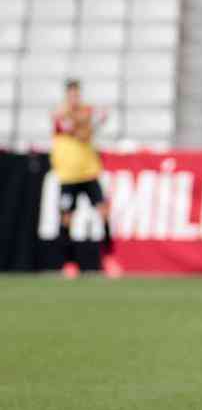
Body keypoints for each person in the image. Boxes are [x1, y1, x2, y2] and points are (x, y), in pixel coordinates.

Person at [51, 78, 121, 278]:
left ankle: (109, 259)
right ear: (67, 95)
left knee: (104, 212)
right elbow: (77, 131)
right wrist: (86, 122)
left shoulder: (83, 111)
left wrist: (86, 120)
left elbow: (99, 117)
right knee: (66, 219)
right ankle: (69, 263)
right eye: (71, 94)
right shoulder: (59, 114)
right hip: (68, 176)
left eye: (77, 94)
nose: (74, 98)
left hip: (89, 172)